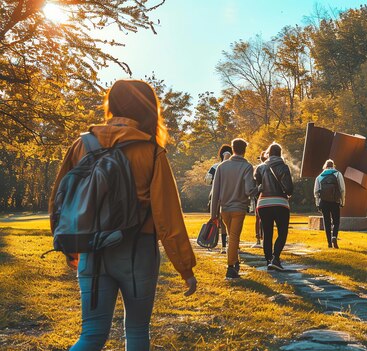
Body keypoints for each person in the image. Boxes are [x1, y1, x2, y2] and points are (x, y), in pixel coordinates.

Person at [49, 79, 197, 350]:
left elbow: (61, 198)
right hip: (136, 249)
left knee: (91, 334)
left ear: (112, 105)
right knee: (137, 331)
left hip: (91, 249)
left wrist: (70, 247)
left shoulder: (82, 144)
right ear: (149, 109)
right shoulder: (150, 150)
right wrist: (184, 267)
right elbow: (168, 216)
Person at [211, 138, 258, 279]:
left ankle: (235, 263)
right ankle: (231, 268)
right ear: (245, 150)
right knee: (234, 237)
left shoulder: (221, 166)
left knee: (232, 237)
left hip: (224, 208)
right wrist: (260, 188)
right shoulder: (247, 167)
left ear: (233, 149)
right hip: (239, 207)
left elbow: (215, 192)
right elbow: (250, 190)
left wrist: (213, 214)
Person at [254, 143, 294, 271]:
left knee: (267, 233)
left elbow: (257, 184)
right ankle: (276, 258)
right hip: (280, 203)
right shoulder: (284, 167)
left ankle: (268, 260)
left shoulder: (260, 168)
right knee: (282, 232)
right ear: (280, 153)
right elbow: (289, 189)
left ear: (268, 153)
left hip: (263, 203)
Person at [206, 144, 233, 253]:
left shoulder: (215, 166)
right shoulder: (235, 167)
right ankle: (232, 243)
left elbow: (207, 180)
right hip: (231, 195)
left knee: (219, 221)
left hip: (217, 196)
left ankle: (222, 246)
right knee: (231, 221)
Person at [313, 159, 346, 248]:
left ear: (325, 166)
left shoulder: (319, 177)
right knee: (336, 221)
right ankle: (334, 236)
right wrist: (342, 201)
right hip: (335, 201)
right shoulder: (338, 174)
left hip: (324, 202)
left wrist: (317, 204)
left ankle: (329, 243)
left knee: (326, 222)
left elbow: (316, 192)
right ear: (333, 166)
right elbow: (342, 189)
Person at [251, 151, 268, 248]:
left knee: (259, 219)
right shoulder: (263, 168)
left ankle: (259, 238)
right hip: (262, 196)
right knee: (261, 219)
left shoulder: (258, 169)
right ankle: (260, 238)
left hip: (259, 197)